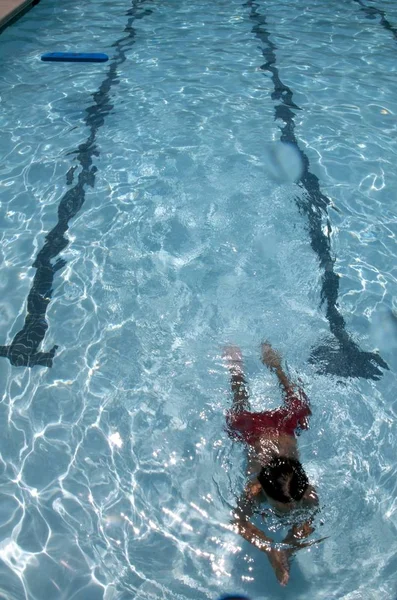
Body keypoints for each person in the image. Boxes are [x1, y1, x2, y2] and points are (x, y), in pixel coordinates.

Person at [223, 342, 320, 586]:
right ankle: (237, 371)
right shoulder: (254, 489)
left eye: (292, 501)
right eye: (283, 504)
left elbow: (308, 522)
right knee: (239, 403)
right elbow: (238, 521)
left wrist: (285, 550)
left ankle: (276, 364)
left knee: (298, 406)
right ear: (262, 489)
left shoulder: (306, 493)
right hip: (253, 430)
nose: (290, 508)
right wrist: (269, 549)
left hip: (284, 428)